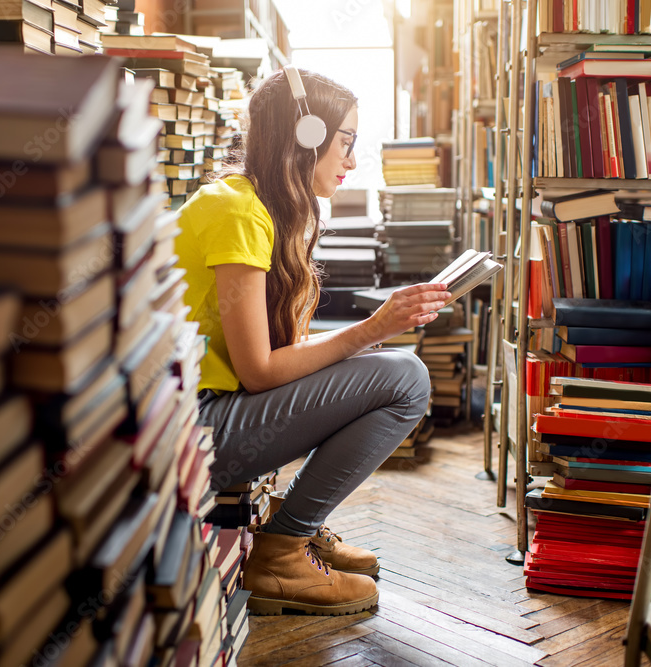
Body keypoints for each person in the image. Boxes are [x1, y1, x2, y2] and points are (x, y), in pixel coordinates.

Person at [174, 67, 450, 616]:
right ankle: (281, 552)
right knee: (406, 378)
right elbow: (258, 371)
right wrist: (370, 331)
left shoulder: (251, 204)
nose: (351, 160)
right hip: (191, 433)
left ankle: (296, 528)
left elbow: (266, 358)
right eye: (346, 143)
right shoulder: (237, 212)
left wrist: (362, 345)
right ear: (306, 138)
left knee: (386, 367)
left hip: (203, 415)